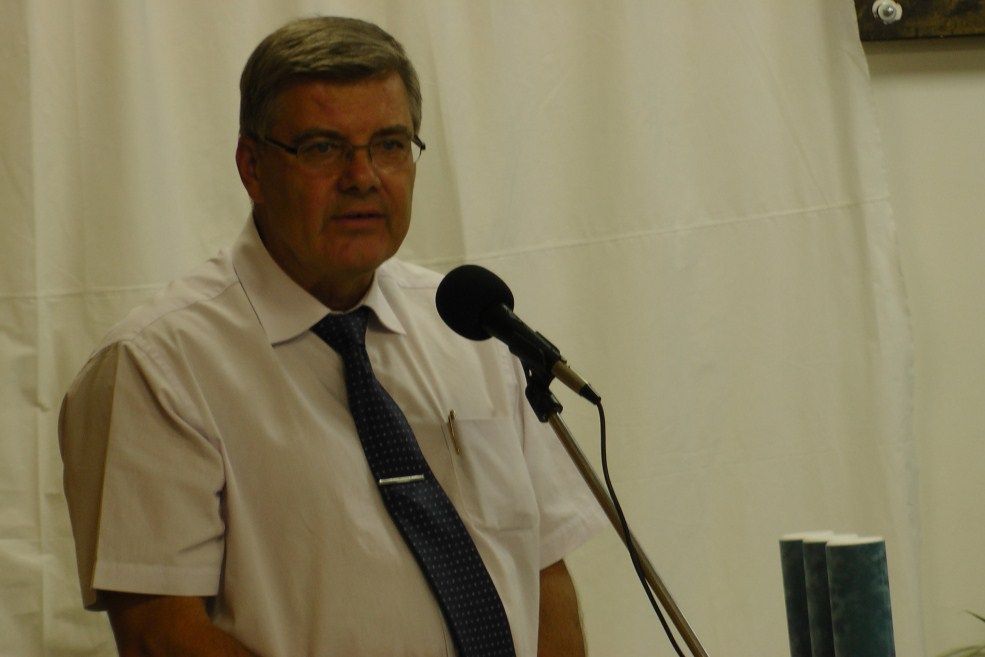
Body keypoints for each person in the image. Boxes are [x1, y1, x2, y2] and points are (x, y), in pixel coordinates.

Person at [59, 16, 605, 657]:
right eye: (323, 148)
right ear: (252, 167)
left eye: (390, 145)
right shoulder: (157, 366)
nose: (362, 176)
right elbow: (164, 638)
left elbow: (544, 573)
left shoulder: (471, 328)